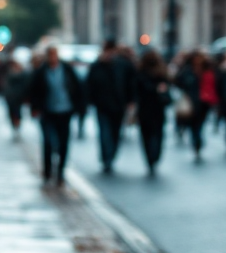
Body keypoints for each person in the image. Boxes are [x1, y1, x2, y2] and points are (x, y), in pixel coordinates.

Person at [29, 45, 86, 186]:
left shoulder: (67, 70)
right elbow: (34, 90)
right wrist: (35, 108)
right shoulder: (41, 71)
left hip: (65, 112)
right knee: (48, 142)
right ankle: (47, 172)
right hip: (48, 112)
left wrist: (79, 107)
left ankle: (60, 171)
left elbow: (78, 88)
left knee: (63, 143)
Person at [85, 39, 136, 174]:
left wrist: (130, 101)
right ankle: (106, 157)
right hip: (102, 105)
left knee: (115, 132)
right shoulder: (97, 65)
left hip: (118, 105)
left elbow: (131, 83)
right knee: (104, 132)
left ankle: (111, 155)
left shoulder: (122, 64)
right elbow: (90, 84)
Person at [175, 52, 217, 161]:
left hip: (203, 102)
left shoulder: (206, 69)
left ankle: (197, 140)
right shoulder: (187, 70)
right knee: (193, 124)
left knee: (199, 124)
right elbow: (178, 81)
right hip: (192, 101)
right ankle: (196, 141)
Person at [135, 49, 171, 176]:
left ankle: (150, 158)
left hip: (145, 110)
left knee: (146, 136)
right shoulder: (160, 74)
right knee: (157, 134)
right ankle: (154, 156)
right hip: (157, 110)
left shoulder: (140, 73)